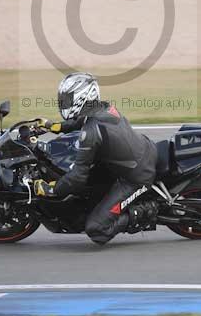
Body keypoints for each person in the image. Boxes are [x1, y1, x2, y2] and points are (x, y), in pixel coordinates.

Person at [33, 72, 158, 244]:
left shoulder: (91, 133)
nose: (64, 103)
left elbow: (77, 178)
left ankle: (145, 211)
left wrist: (51, 190)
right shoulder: (104, 108)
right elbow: (81, 120)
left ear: (82, 98)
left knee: (96, 230)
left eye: (68, 100)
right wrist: (54, 126)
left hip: (137, 178)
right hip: (143, 150)